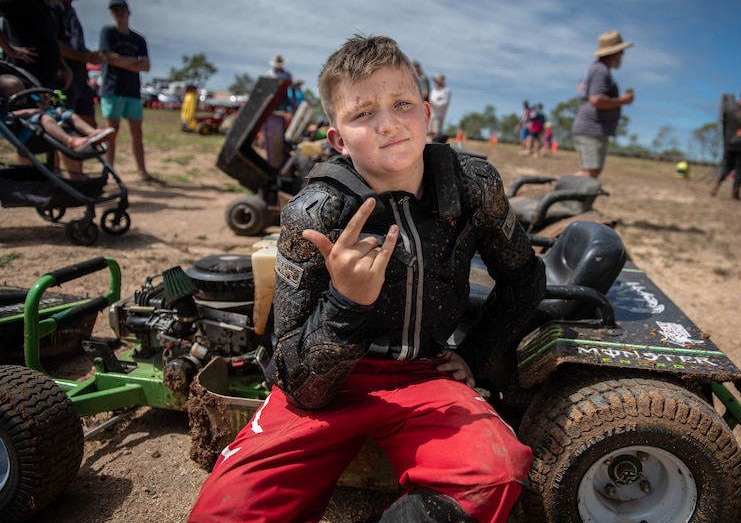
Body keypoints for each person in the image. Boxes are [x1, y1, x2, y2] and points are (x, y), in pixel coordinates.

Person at [188, 34, 547, 523]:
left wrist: (473, 356)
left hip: (424, 374)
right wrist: (346, 302)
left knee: (495, 472)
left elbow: (525, 278)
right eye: (362, 114)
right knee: (224, 514)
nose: (388, 123)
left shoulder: (473, 185)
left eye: (401, 104)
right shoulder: (314, 212)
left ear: (425, 112)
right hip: (328, 386)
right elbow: (298, 384)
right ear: (337, 138)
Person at [99, 0, 160, 183]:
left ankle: (142, 172)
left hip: (132, 90)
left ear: (128, 11)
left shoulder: (138, 39)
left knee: (137, 132)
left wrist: (121, 61)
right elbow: (109, 58)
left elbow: (146, 65)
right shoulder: (107, 32)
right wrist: (134, 62)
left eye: (121, 9)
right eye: (115, 10)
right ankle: (108, 171)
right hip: (112, 88)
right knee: (111, 132)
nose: (119, 13)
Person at [0, 73, 114, 171]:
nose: (22, 98)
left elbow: (43, 108)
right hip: (29, 136)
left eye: (23, 93)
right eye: (15, 95)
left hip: (44, 126)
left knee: (67, 114)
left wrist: (44, 104)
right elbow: (10, 117)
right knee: (45, 118)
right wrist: (29, 112)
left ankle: (93, 133)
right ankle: (70, 140)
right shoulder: (5, 108)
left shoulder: (30, 100)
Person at [571, 29, 635, 178]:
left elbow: (581, 87)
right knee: (590, 173)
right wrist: (623, 100)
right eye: (621, 51)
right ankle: (560, 194)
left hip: (589, 128)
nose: (623, 55)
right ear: (615, 52)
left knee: (591, 171)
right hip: (592, 129)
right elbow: (596, 99)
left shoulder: (596, 69)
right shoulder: (601, 71)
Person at [0, 0, 73, 90]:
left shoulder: (48, 9)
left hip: (44, 86)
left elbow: (51, 43)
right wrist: (9, 49)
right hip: (23, 83)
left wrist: (64, 67)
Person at [56, 0, 102, 127]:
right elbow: (55, 45)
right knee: (63, 126)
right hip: (64, 77)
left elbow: (75, 45)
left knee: (89, 127)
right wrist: (84, 56)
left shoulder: (71, 11)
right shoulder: (54, 10)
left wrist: (91, 56)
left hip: (80, 77)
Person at [711, 86, 741, 200]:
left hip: (729, 142)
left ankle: (717, 183)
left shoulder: (729, 107)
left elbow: (723, 123)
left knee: (727, 165)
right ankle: (735, 192)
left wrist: (725, 140)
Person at [262, 53, 294, 166]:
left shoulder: (287, 75)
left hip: (283, 103)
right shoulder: (269, 74)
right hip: (272, 103)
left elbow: (290, 91)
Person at [427, 71, 450, 140]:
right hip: (431, 114)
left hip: (439, 115)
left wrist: (435, 104)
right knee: (430, 130)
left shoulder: (446, 91)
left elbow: (445, 102)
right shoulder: (433, 90)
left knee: (436, 132)